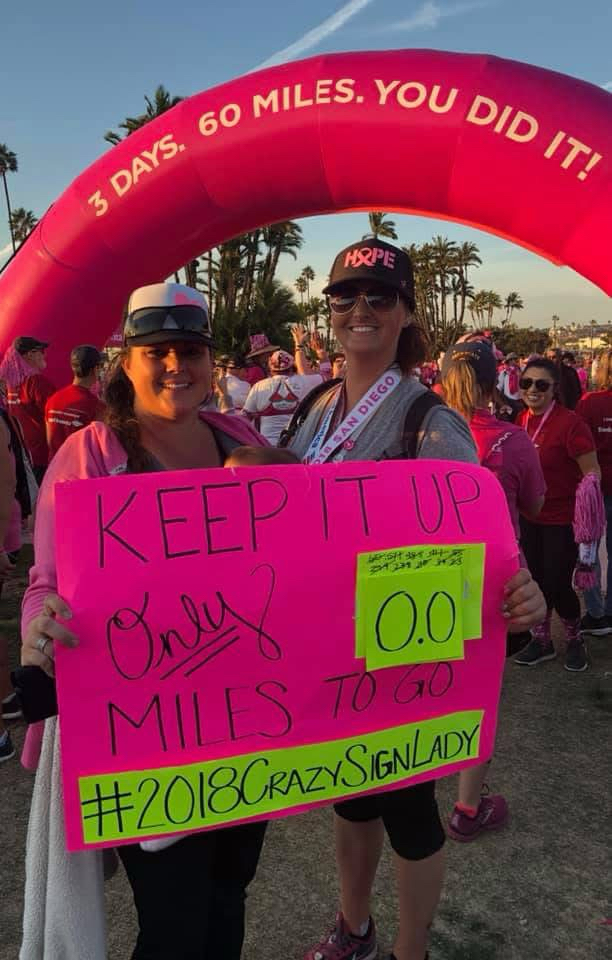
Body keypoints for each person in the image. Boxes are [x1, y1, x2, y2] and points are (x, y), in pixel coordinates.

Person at [285, 237, 546, 960]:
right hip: (334, 654)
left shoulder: (431, 421)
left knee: (409, 811)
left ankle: (411, 948)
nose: (361, 310)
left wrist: (516, 591)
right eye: (346, 297)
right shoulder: (315, 406)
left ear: (406, 313)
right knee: (351, 798)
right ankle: (355, 927)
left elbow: (479, 545)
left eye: (380, 297)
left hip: (403, 655)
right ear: (330, 310)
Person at [19, 282, 269, 960]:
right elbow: (45, 584)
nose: (175, 366)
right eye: (156, 351)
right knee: (174, 924)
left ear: (211, 360)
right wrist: (40, 631)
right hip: (145, 730)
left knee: (229, 893)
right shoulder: (91, 456)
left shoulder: (241, 438)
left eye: (190, 349)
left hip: (246, 719)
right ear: (126, 362)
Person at [440, 341, 546, 841]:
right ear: (495, 383)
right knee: (480, 694)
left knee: (426, 684)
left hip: (431, 581)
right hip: (495, 585)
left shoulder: (420, 432)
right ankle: (467, 806)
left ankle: (410, 782)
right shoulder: (513, 439)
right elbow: (536, 504)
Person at [515, 357, 600, 672]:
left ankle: (575, 639)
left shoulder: (571, 424)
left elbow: (592, 472)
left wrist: (588, 522)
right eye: (526, 383)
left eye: (541, 384)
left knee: (558, 582)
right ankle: (542, 641)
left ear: (554, 389)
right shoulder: (520, 420)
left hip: (561, 520)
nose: (532, 390)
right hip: (527, 518)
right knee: (534, 580)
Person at [576, 349, 612, 633]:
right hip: (597, 486)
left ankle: (596, 614)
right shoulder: (588, 402)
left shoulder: (589, 403)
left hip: (594, 486)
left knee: (588, 550)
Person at [0, 336, 55, 483]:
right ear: (30, 354)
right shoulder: (36, 382)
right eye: (41, 351)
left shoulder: (10, 383)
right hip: (42, 455)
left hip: (21, 453)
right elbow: (54, 415)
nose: (44, 355)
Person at [242, 348, 323, 445]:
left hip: (268, 445)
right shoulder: (306, 381)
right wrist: (320, 352)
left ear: (270, 369)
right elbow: (327, 375)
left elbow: (245, 417)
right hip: (299, 444)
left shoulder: (259, 386)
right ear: (292, 367)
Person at [45, 345, 105, 459]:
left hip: (55, 466)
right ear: (95, 369)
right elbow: (101, 446)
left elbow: (50, 441)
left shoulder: (53, 399)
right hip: (81, 467)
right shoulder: (96, 406)